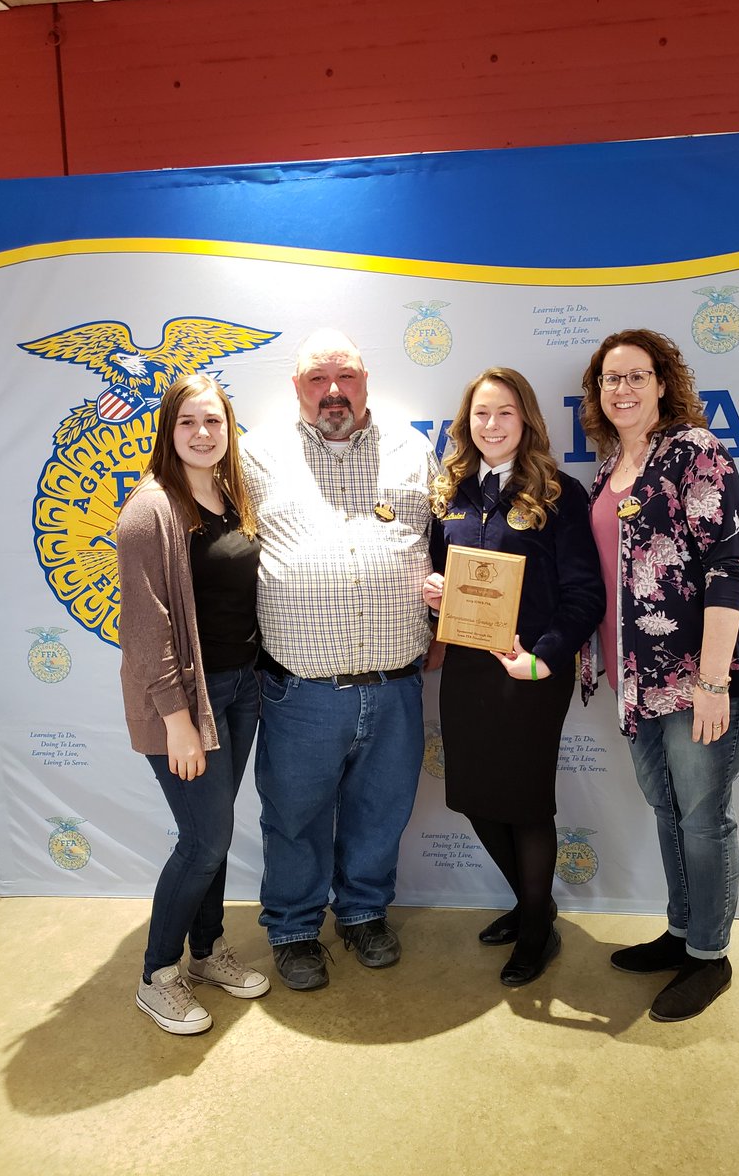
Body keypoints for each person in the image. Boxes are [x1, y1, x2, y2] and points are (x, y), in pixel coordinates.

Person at [580, 328, 739, 1022]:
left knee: (701, 817)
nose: (623, 389)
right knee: (667, 809)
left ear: (662, 384)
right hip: (639, 680)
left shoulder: (694, 451)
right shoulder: (609, 470)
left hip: (701, 678)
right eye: (611, 378)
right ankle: (680, 932)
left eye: (637, 375)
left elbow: (729, 566)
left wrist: (714, 682)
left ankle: (709, 956)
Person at [241, 328, 438, 992]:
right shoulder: (256, 455)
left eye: (346, 376)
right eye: (317, 379)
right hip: (301, 688)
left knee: (381, 810)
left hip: (395, 681)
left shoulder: (413, 450)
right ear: (296, 387)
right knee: (294, 815)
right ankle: (294, 927)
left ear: (365, 381)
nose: (333, 391)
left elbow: (446, 542)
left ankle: (362, 914)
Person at [423, 367, 605, 987]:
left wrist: (544, 657)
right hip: (468, 670)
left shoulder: (558, 492)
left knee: (525, 805)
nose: (492, 424)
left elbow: (584, 594)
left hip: (530, 673)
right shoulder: (451, 492)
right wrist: (436, 594)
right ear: (466, 422)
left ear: (525, 418)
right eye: (481, 413)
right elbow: (445, 577)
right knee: (474, 797)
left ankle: (534, 932)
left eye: (504, 412)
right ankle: (536, 906)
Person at [117, 373, 269, 1036]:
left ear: (229, 429)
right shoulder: (149, 511)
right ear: (167, 430)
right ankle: (157, 975)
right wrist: (177, 721)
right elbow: (146, 630)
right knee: (204, 840)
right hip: (184, 705)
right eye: (188, 422)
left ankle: (206, 951)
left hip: (241, 690)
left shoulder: (232, 495)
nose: (203, 433)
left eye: (214, 421)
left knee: (218, 832)